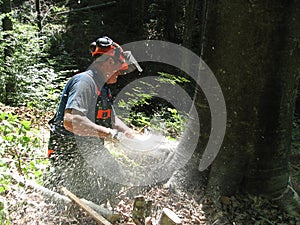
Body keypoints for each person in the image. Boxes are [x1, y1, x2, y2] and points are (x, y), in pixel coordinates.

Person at [45, 36, 141, 205]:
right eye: (119, 68)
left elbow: (112, 119)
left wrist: (130, 134)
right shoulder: (85, 82)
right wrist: (112, 135)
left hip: (89, 148)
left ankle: (94, 207)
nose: (120, 73)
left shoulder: (103, 88)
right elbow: (71, 120)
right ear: (108, 63)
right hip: (68, 151)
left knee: (116, 176)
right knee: (80, 195)